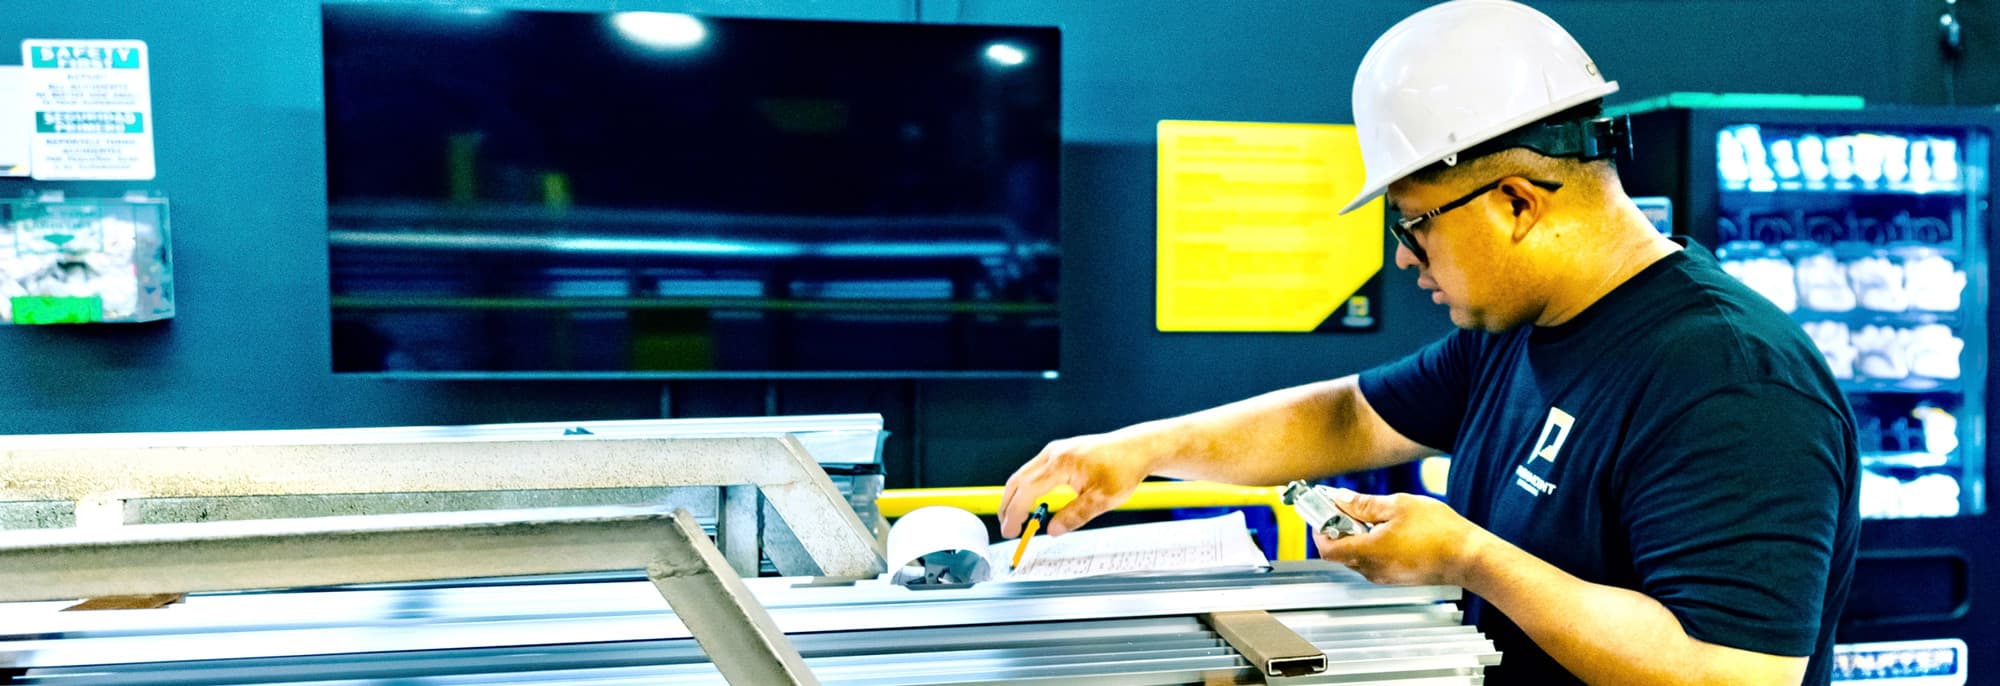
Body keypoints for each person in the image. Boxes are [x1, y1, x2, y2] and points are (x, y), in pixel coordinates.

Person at [998, 1, 1859, 683]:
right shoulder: (1521, 328)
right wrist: (1142, 450)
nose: (1406, 259)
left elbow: (1734, 673)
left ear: (1516, 202)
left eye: (1413, 224)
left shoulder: (1731, 380)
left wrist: (1468, 556)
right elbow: (1352, 417)